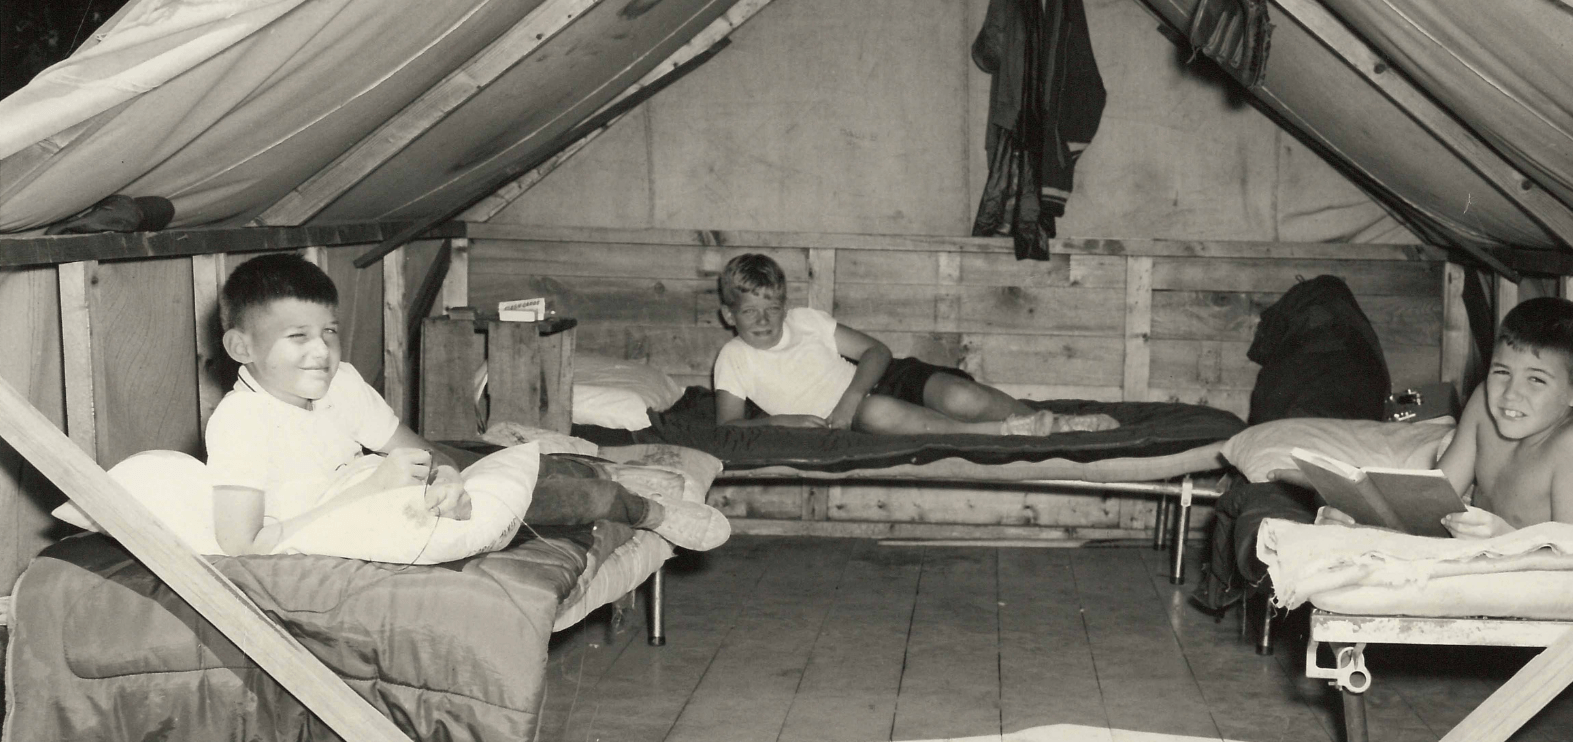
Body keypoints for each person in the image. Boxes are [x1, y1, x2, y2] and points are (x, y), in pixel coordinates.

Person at [208, 254, 726, 555]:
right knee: (572, 501)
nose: (321, 351)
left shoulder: (338, 380)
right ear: (241, 348)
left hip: (394, 488)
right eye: (297, 336)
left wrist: (449, 474)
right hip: (360, 516)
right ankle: (647, 510)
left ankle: (576, 463)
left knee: (498, 462)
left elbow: (416, 449)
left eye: (329, 332)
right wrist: (375, 487)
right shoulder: (241, 423)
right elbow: (243, 545)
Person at [711, 253, 1119, 436]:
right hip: (855, 417)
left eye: (773, 308)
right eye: (749, 312)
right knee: (879, 412)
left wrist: (851, 396)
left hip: (876, 381)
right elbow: (727, 426)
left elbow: (877, 352)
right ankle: (1007, 433)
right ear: (730, 315)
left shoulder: (807, 321)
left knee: (959, 395)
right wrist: (785, 421)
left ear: (785, 306)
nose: (763, 320)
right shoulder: (733, 359)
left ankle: (1053, 423)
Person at [1434, 296, 1573, 538]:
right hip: (1477, 559)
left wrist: (1506, 540)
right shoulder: (1482, 402)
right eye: (1502, 371)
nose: (1510, 393)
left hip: (1539, 569)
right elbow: (1435, 500)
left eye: (1536, 379)